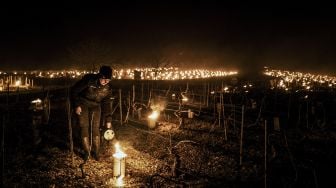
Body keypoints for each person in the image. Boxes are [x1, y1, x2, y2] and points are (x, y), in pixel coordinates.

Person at [71, 65, 113, 161]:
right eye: (103, 79)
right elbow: (74, 91)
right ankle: (87, 152)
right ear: (99, 76)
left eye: (108, 80)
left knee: (95, 129)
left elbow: (107, 103)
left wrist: (108, 119)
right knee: (84, 126)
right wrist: (76, 105)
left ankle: (96, 152)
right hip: (83, 103)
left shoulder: (108, 88)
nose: (105, 82)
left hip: (95, 105)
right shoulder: (89, 80)